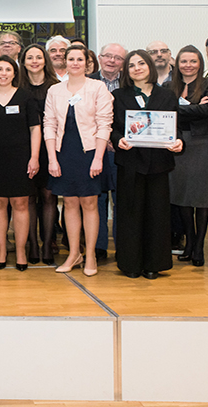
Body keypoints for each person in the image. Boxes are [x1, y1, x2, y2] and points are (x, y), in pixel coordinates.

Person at [111, 50, 183, 279]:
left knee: (157, 214)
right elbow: (111, 127)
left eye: (141, 63)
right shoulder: (119, 95)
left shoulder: (167, 95)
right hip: (130, 163)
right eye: (131, 65)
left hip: (158, 164)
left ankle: (154, 264)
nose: (137, 68)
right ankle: (130, 264)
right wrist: (117, 140)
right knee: (129, 214)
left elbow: (175, 127)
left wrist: (178, 141)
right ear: (126, 71)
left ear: (150, 66)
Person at [45, 45, 112, 277]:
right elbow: (49, 125)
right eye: (70, 59)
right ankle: (74, 253)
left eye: (79, 59)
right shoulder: (54, 90)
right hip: (64, 153)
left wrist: (98, 158)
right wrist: (52, 158)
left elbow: (105, 124)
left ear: (87, 63)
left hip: (90, 153)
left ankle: (91, 254)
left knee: (90, 204)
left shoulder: (98, 88)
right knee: (70, 204)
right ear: (65, 62)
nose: (75, 63)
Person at [0, 56, 40, 270]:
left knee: (21, 204)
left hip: (21, 158)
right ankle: (1, 250)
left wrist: (34, 157)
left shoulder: (26, 97)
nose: (4, 73)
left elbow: (35, 128)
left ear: (15, 73)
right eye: (0, 69)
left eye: (8, 69)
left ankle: (21, 251)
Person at [165, 45, 208, 267]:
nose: (188, 65)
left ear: (200, 63)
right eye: (184, 61)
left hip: (203, 143)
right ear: (177, 64)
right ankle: (188, 242)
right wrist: (194, 107)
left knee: (202, 196)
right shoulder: (169, 86)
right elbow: (166, 113)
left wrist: (181, 108)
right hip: (177, 144)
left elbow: (206, 112)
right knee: (182, 195)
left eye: (193, 61)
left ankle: (198, 247)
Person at [20, 44, 60, 265]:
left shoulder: (56, 87)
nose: (34, 61)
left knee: (48, 196)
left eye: (38, 57)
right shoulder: (17, 86)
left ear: (45, 60)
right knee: (28, 198)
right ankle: (32, 244)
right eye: (29, 57)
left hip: (51, 149)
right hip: (23, 148)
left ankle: (47, 243)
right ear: (23, 62)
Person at [89, 43, 126, 261]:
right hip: (94, 149)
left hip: (123, 149)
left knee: (122, 199)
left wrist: (114, 137)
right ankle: (99, 246)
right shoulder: (87, 82)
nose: (112, 61)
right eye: (108, 56)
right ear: (100, 58)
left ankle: (123, 245)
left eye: (118, 58)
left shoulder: (130, 83)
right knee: (97, 199)